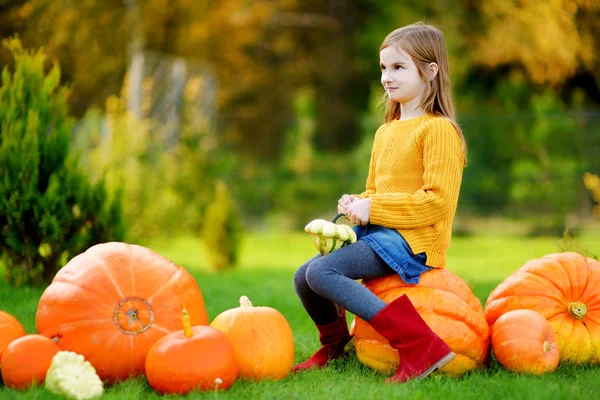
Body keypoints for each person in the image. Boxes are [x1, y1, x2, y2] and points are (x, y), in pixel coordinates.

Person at [292, 22, 468, 383]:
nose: (387, 77)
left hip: (414, 241)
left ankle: (420, 345)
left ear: (430, 71)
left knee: (321, 272)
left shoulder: (439, 131)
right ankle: (335, 344)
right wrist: (359, 201)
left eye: (399, 67)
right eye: (383, 68)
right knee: (303, 277)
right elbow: (377, 190)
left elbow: (437, 203)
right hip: (381, 232)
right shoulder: (386, 131)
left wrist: (375, 209)